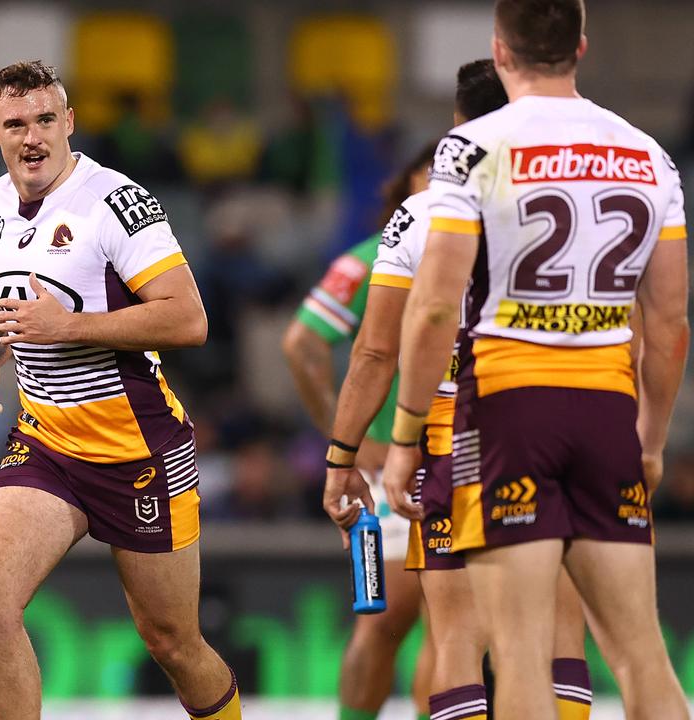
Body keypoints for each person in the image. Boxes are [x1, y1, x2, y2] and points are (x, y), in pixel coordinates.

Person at [381, 1, 689, 717]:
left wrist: (403, 440)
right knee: (641, 653)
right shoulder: (648, 152)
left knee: (520, 656)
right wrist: (649, 441)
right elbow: (670, 322)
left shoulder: (471, 148)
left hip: (509, 409)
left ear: (501, 49)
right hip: (608, 407)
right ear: (581, 45)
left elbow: (432, 307)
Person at [0, 60, 240, 720]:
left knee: (172, 642)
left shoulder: (115, 201)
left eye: (47, 121)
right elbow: (12, 296)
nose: (34, 138)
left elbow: (189, 318)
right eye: (18, 125)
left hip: (134, 447)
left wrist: (69, 326)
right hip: (47, 440)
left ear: (69, 123)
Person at [324, 58, 595, 720]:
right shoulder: (575, 200)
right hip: (561, 418)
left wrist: (346, 455)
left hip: (454, 430)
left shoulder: (420, 213)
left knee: (454, 632)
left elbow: (375, 349)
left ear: (456, 125)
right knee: (557, 628)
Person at [282, 148, 434, 720]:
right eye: (430, 172)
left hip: (434, 458)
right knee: (400, 615)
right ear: (404, 187)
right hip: (398, 463)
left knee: (443, 621)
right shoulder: (371, 259)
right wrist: (346, 440)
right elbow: (302, 343)